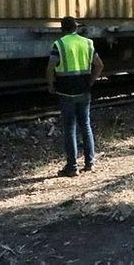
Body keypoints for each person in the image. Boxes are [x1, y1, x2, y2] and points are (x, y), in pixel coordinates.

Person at [46, 16, 104, 177]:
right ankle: (90, 163)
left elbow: (50, 68)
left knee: (70, 128)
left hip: (65, 92)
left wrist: (51, 85)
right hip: (84, 91)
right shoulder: (87, 43)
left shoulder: (59, 45)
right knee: (85, 125)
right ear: (76, 28)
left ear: (62, 29)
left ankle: (72, 167)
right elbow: (99, 65)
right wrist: (91, 81)